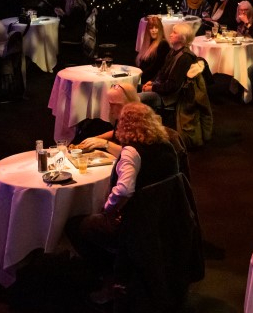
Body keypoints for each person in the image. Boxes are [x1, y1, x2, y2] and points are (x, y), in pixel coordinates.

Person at [65, 102, 179, 300]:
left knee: (74, 225)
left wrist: (109, 211)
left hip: (135, 225)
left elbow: (125, 190)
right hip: (166, 219)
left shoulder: (131, 153)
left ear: (124, 126)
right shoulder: (167, 146)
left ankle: (109, 276)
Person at [140, 22, 197, 110]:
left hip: (168, 98)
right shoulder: (172, 52)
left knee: (133, 98)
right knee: (129, 88)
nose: (170, 35)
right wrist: (152, 82)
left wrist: (153, 88)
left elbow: (172, 86)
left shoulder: (185, 57)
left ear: (183, 38)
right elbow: (162, 72)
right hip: (161, 88)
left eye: (174, 33)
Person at [136, 15, 171, 86]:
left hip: (152, 82)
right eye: (151, 28)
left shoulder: (163, 44)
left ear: (160, 29)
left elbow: (156, 68)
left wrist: (139, 76)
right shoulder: (148, 43)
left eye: (156, 28)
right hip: (144, 79)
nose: (154, 30)